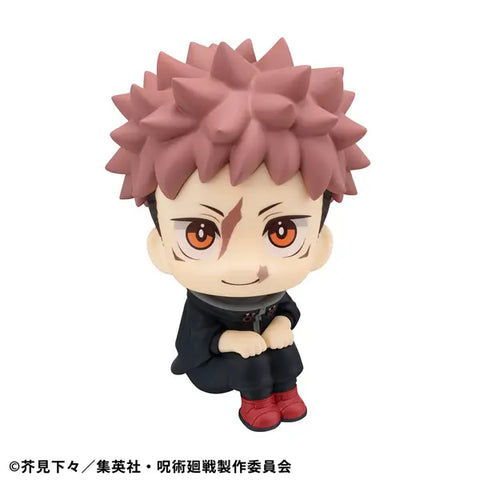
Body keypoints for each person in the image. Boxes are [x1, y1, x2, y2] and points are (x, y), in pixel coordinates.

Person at [106, 38, 369, 431]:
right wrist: (230, 342)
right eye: (200, 235)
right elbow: (192, 343)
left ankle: (287, 393)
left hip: (265, 352)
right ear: (159, 248)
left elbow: (286, 312)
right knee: (251, 365)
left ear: (320, 244)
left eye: (282, 233)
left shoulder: (276, 294)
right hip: (214, 367)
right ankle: (256, 404)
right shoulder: (204, 304)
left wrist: (280, 326)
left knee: (285, 354)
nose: (246, 266)